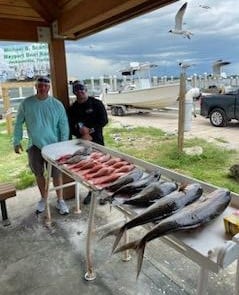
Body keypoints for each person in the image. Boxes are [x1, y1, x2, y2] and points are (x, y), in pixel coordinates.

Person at [13, 76, 70, 215]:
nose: (42, 88)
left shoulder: (57, 104)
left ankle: (60, 200)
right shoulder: (26, 103)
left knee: (57, 175)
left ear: (49, 87)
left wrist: (63, 144)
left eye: (45, 85)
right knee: (39, 174)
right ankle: (43, 199)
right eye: (40, 85)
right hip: (34, 145)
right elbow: (18, 122)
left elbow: (64, 125)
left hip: (54, 146)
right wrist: (16, 140)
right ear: (36, 87)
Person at [67, 80, 108, 204]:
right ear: (74, 92)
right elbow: (71, 126)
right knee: (88, 168)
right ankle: (91, 191)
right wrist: (81, 133)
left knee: (101, 167)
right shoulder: (72, 108)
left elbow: (104, 121)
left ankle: (104, 193)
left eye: (82, 89)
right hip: (82, 142)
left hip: (97, 141)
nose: (80, 92)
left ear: (86, 89)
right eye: (77, 90)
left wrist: (90, 131)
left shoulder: (97, 103)